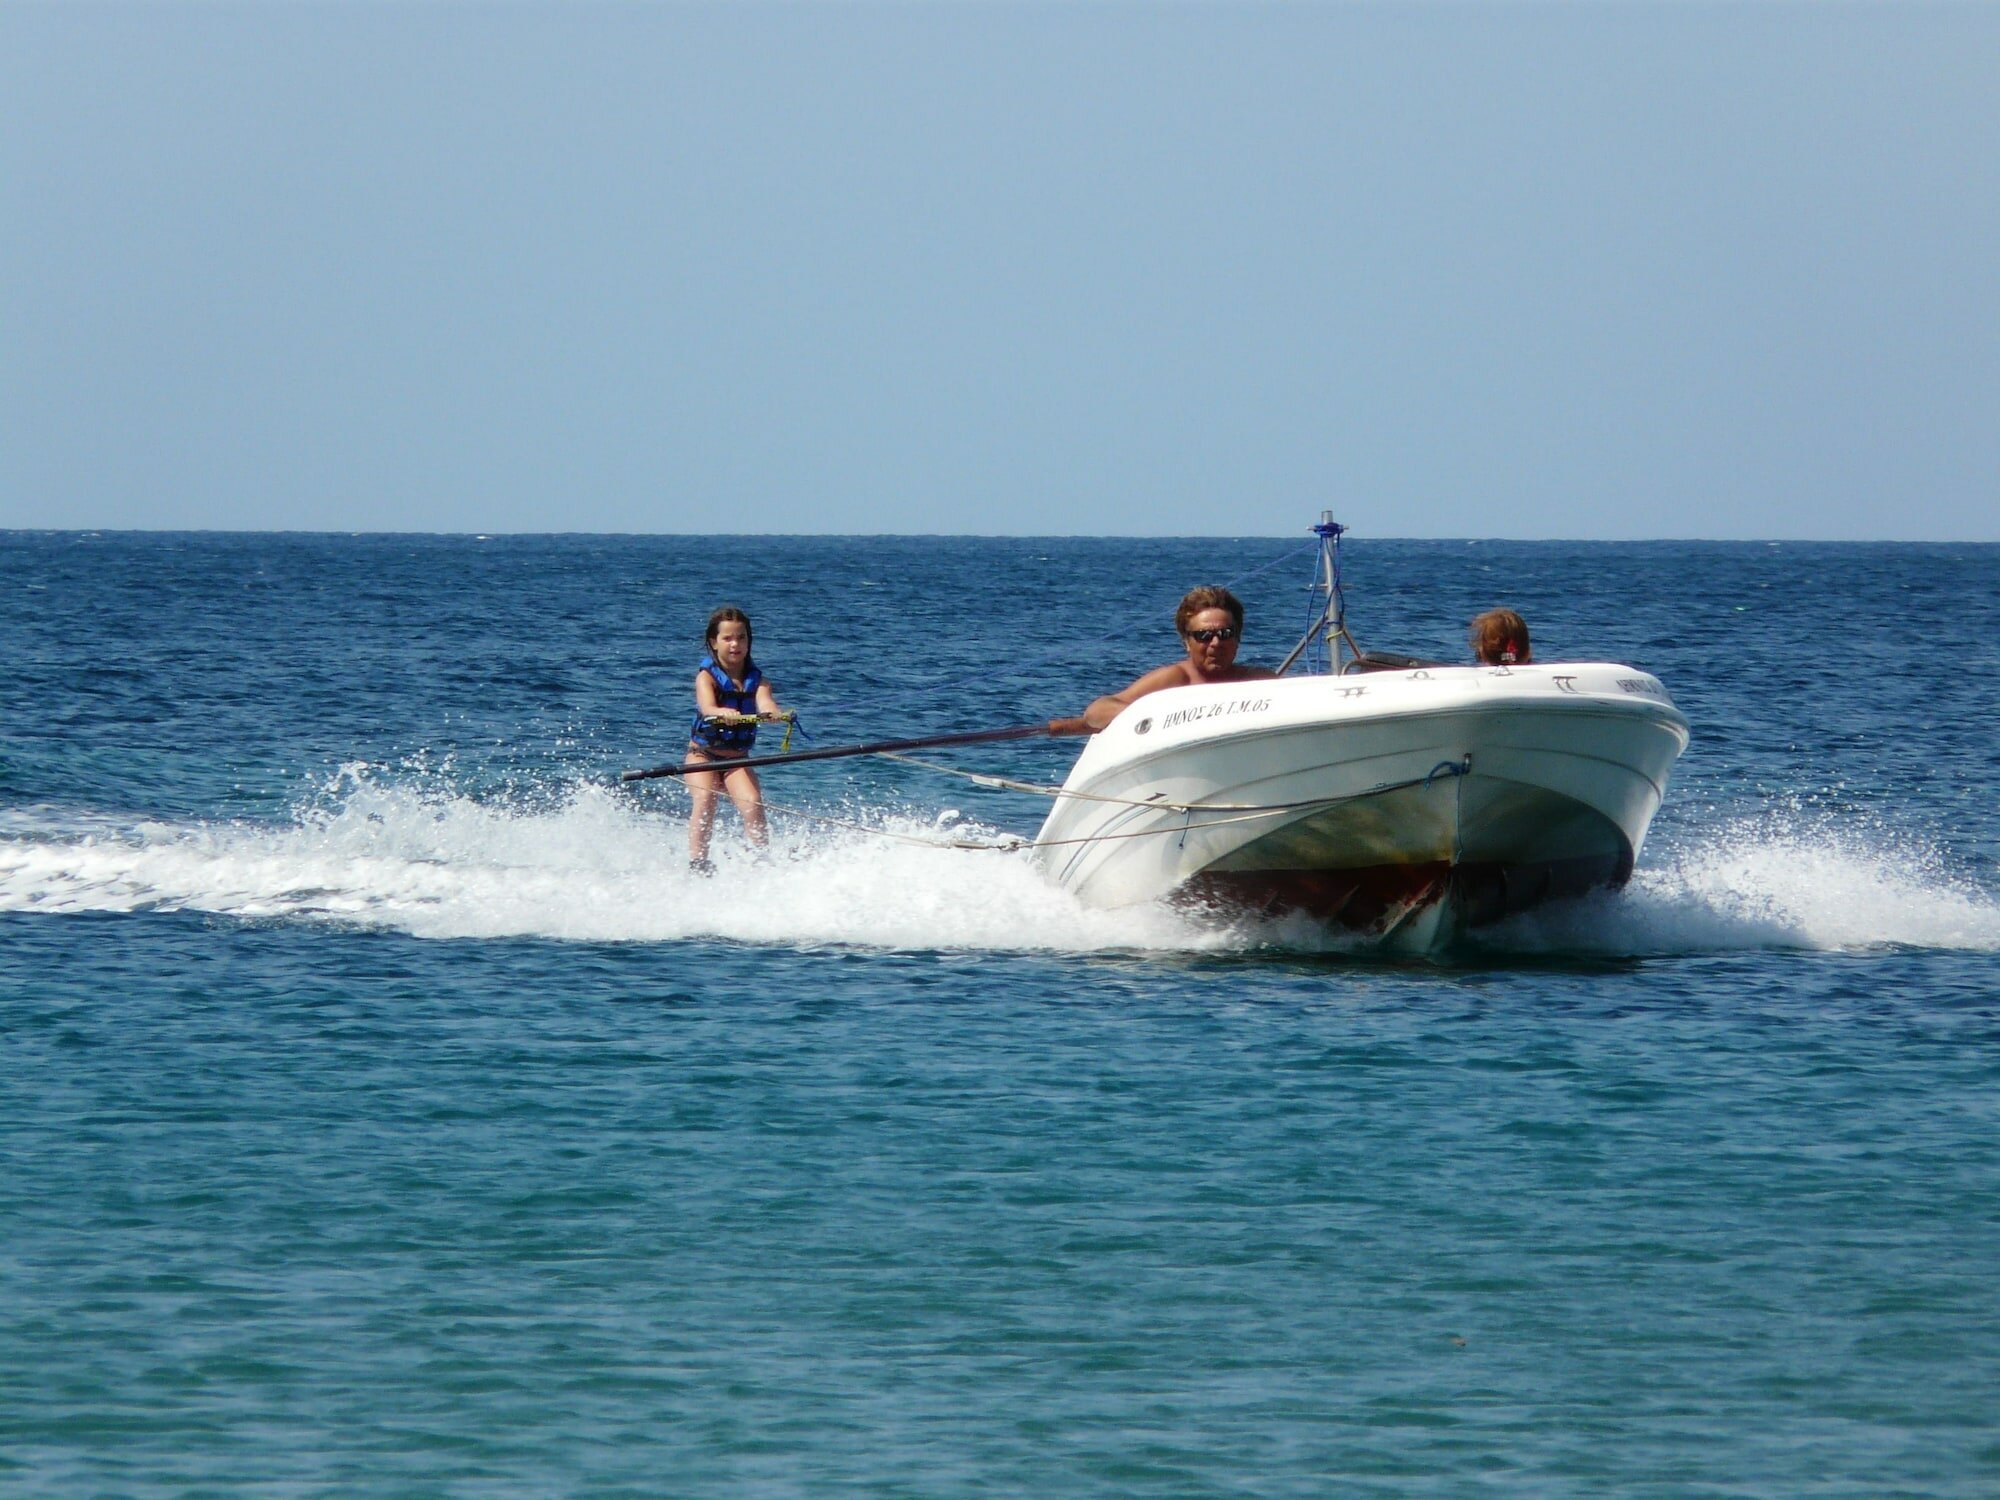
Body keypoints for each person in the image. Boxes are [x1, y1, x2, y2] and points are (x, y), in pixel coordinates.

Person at [1050, 586, 1279, 734]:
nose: (1216, 643)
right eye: (1204, 636)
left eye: (1225, 634)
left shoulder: (1260, 681)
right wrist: (1162, 719)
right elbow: (1097, 712)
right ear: (1186, 642)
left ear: (1238, 637)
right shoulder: (1176, 678)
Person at [686, 606, 789, 873]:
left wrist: (773, 715)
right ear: (714, 642)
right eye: (728, 638)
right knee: (706, 798)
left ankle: (761, 861)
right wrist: (721, 712)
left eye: (741, 637)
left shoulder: (759, 681)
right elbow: (707, 707)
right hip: (702, 757)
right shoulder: (706, 677)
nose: (736, 644)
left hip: (736, 760)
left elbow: (766, 702)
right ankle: (698, 863)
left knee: (752, 802)